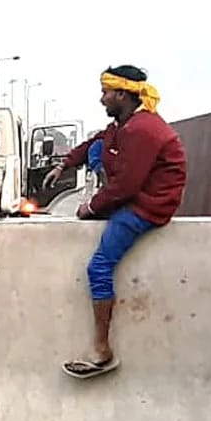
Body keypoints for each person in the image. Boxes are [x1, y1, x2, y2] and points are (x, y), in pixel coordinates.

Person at [42, 65, 187, 379]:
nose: (102, 99)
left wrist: (91, 206)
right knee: (99, 145)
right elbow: (95, 142)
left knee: (99, 267)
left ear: (122, 93)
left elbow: (127, 186)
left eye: (106, 93)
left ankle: (101, 349)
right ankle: (101, 183)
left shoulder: (142, 130)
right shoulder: (124, 124)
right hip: (132, 196)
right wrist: (66, 164)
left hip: (147, 206)